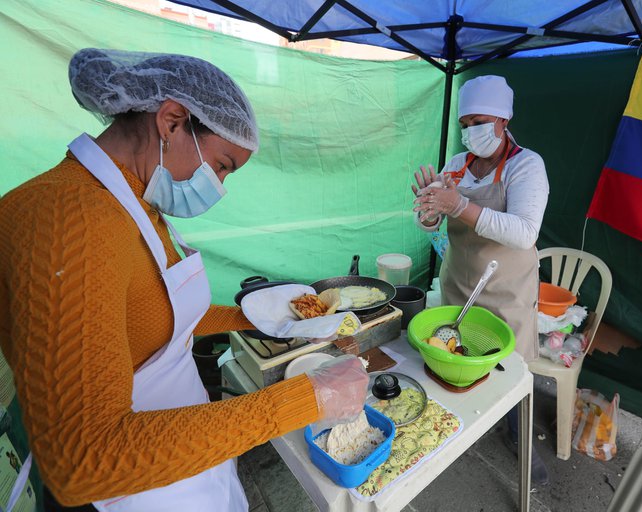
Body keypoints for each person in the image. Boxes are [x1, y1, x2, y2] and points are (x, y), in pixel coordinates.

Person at [0, 48, 368, 511]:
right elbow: (83, 460)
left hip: (186, 461)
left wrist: (252, 318)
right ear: (172, 122)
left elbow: (151, 321)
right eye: (222, 166)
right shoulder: (65, 220)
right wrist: (304, 399)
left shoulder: (135, 203)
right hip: (131, 493)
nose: (220, 186)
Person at [411, 75, 550, 485]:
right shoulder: (457, 165)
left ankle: (518, 436)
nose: (471, 131)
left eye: (480, 121)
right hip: (458, 280)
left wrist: (461, 206)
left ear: (504, 121)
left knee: (510, 368)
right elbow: (431, 222)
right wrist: (429, 209)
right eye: (465, 123)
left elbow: (525, 232)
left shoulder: (527, 165)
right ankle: (456, 426)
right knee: (453, 355)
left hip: (506, 288)